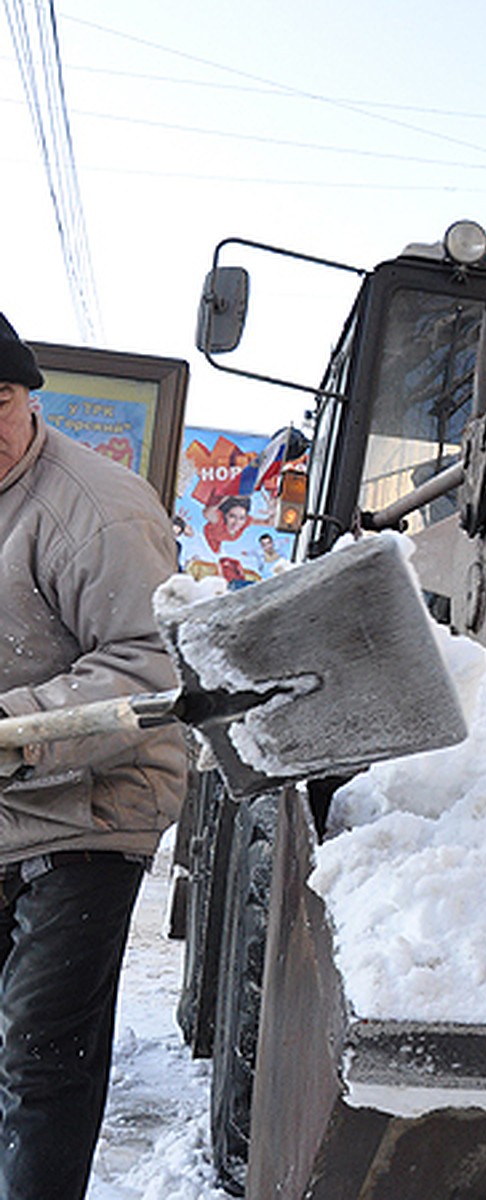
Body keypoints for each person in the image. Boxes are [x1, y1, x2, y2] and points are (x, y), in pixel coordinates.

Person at [0, 315, 186, 1200]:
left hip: (98, 801)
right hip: (9, 800)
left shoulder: (96, 508)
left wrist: (12, 727)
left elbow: (146, 671)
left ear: (29, 396)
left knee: (40, 1052)